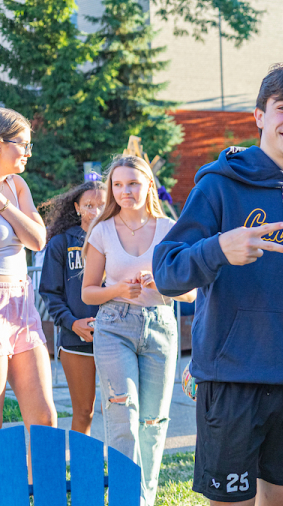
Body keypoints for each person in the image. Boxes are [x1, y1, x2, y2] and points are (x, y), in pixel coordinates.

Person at [152, 64, 283, 506]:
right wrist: (217, 249)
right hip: (232, 378)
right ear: (260, 117)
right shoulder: (219, 186)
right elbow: (167, 272)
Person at [81, 155, 196, 505]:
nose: (125, 191)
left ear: (148, 184)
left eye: (132, 183)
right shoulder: (102, 230)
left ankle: (143, 499)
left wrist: (161, 282)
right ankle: (125, 500)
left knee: (152, 422)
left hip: (161, 326)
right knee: (122, 415)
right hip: (114, 326)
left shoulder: (169, 230)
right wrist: (118, 290)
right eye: (117, 185)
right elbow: (88, 291)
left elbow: (191, 292)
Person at [38, 181, 106, 435]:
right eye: (89, 205)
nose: (96, 212)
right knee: (84, 411)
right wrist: (72, 323)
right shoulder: (62, 244)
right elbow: (50, 293)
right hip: (76, 339)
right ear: (77, 208)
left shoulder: (120, 239)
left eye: (102, 205)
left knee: (119, 410)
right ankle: (82, 469)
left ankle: (120, 468)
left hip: (117, 336)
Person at [0, 108, 53, 432]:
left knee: (44, 418)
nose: (29, 152)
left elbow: (37, 239)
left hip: (21, 304)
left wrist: (4, 206)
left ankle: (41, 485)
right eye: (23, 143)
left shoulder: (17, 185)